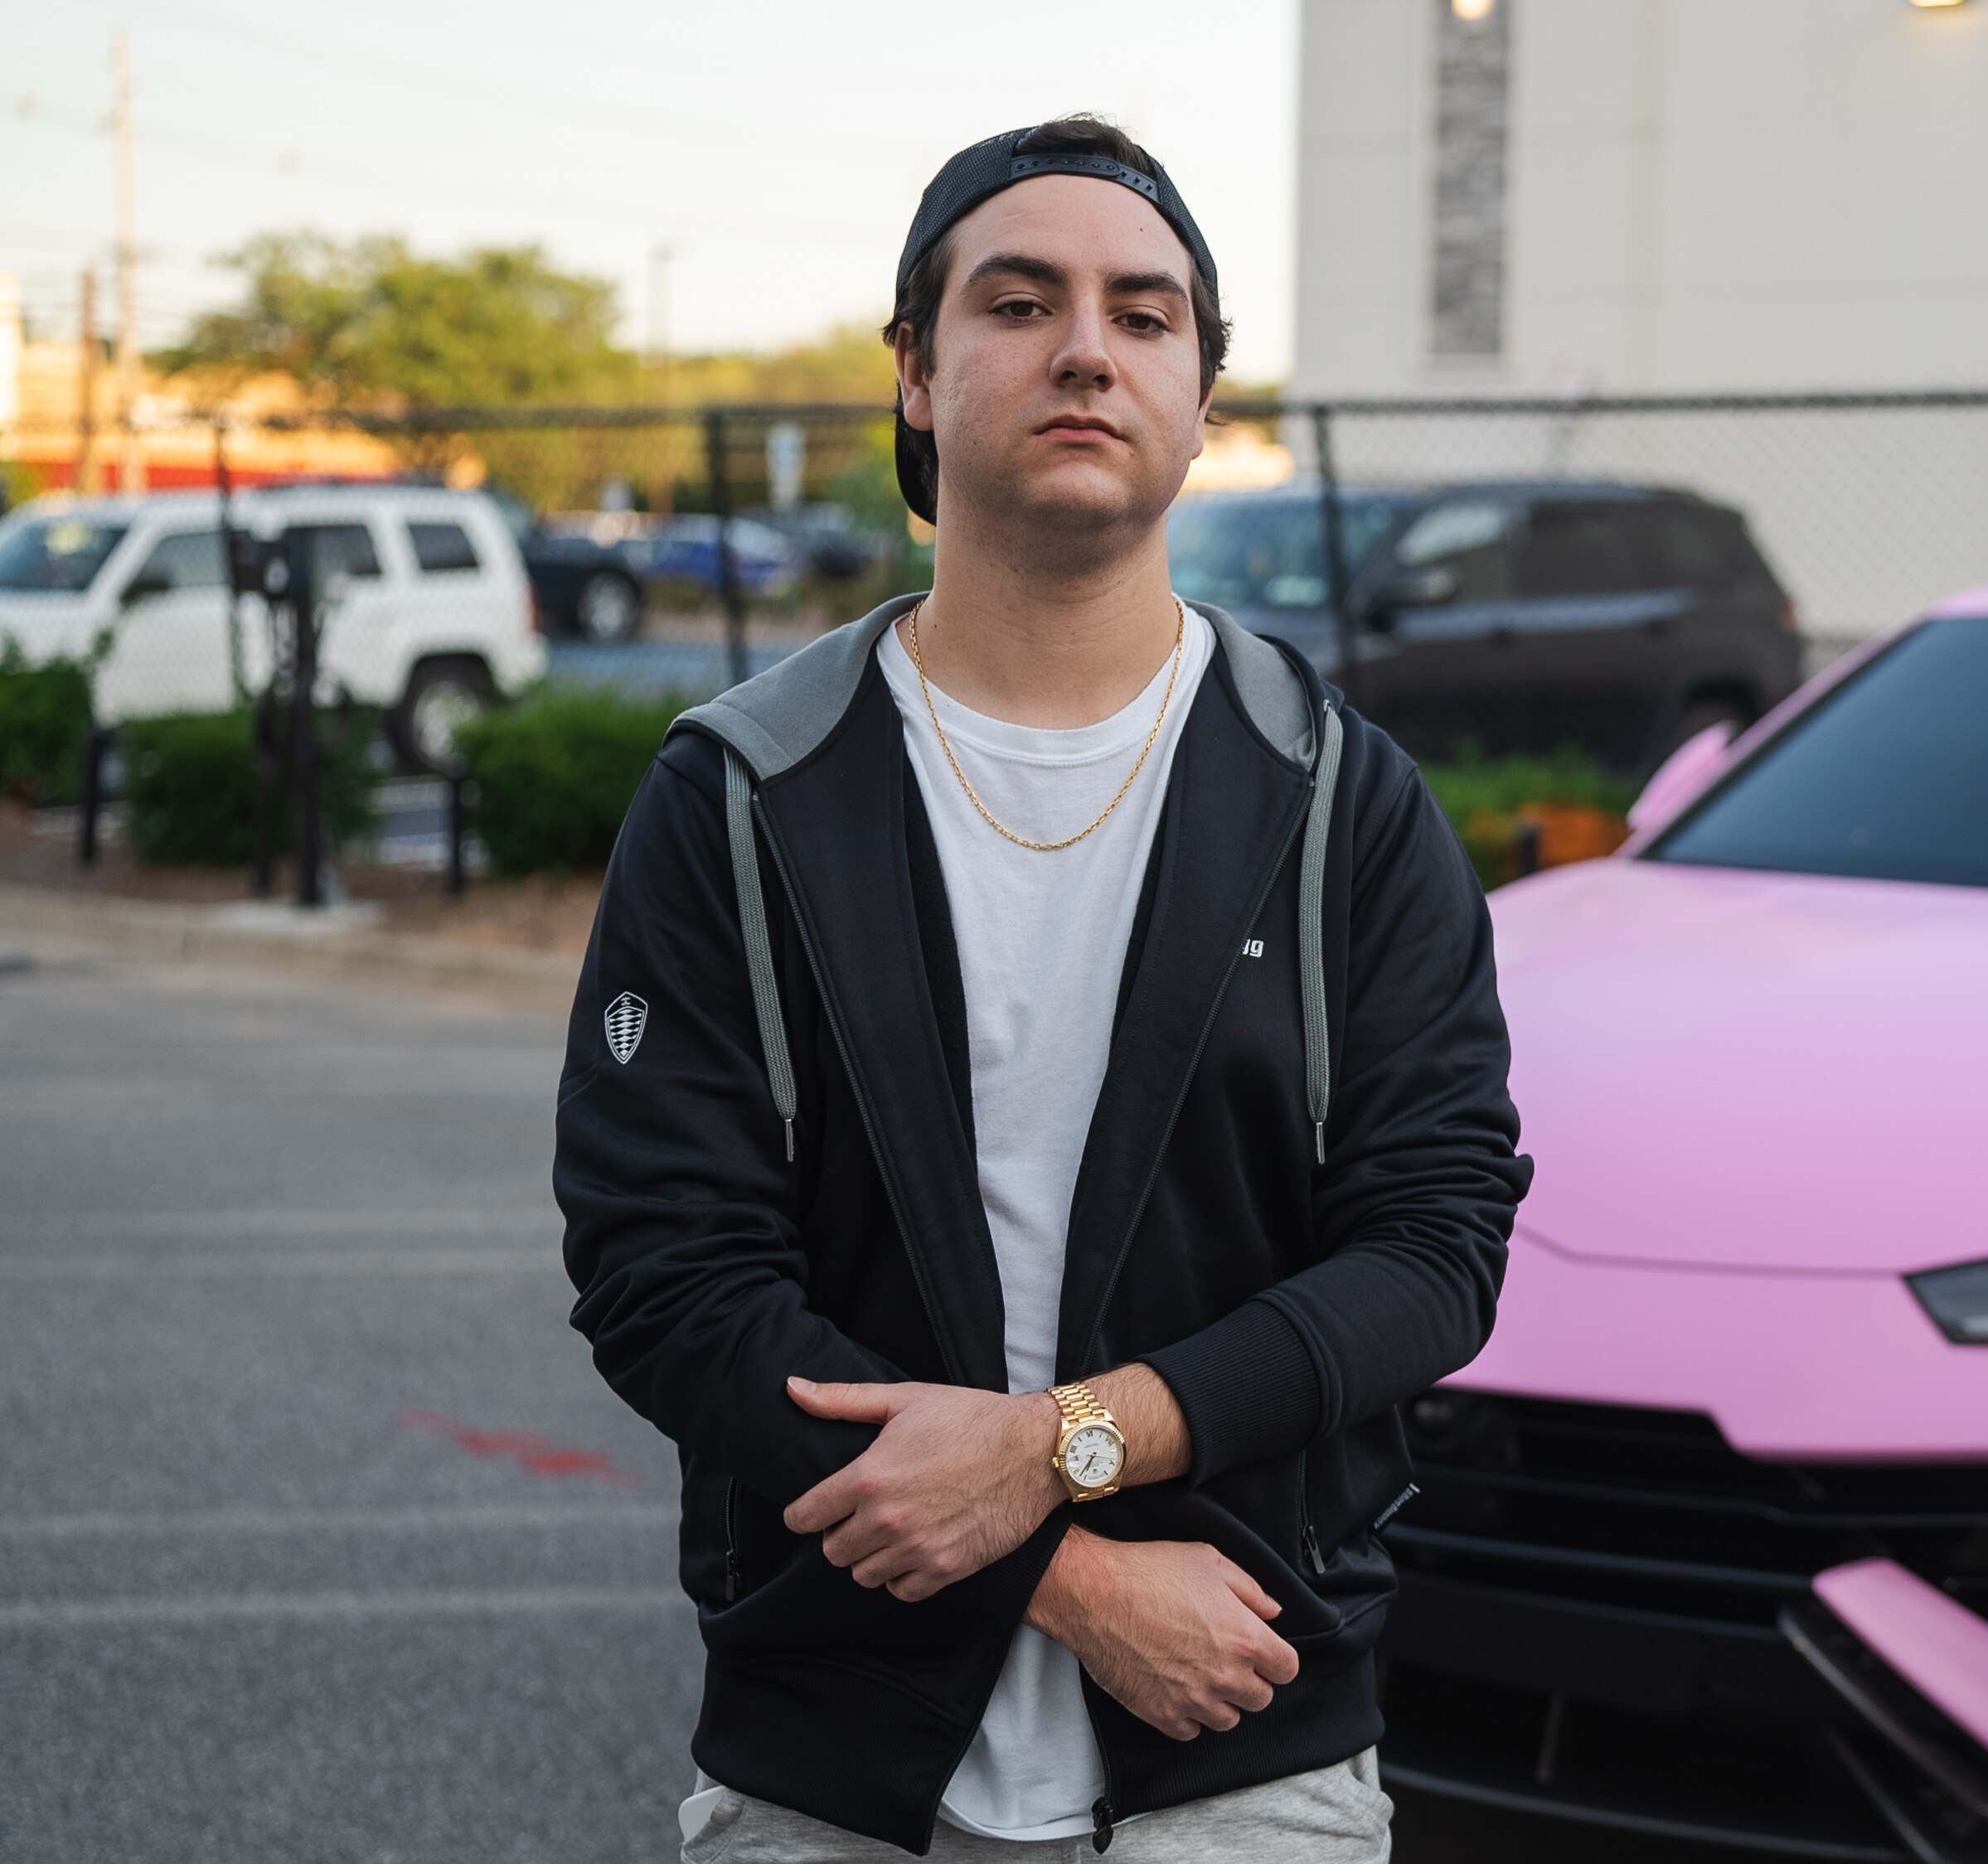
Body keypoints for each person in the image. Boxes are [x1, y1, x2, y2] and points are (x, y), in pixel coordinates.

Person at [555, 114, 1529, 1862]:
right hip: (834, 1760)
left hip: (1244, 1740)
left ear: (1200, 400)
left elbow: (1433, 1251)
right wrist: (1064, 1571)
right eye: (1020, 302)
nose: (1088, 346)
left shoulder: (1336, 798)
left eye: (1145, 316)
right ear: (918, 375)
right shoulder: (745, 791)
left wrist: (1064, 1446)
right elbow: (666, 1273)